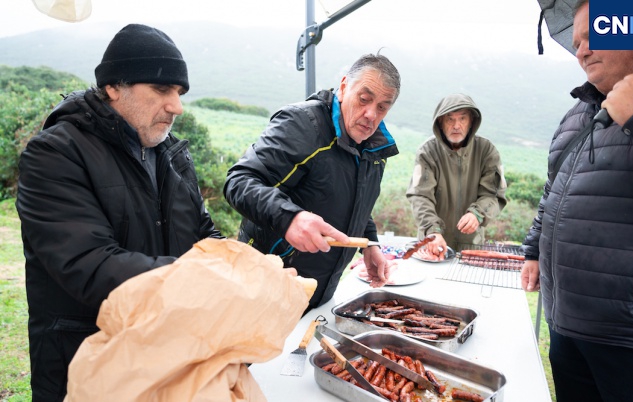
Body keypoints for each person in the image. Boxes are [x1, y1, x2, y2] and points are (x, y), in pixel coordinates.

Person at [15, 24, 225, 402]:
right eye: (162, 89)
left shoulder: (171, 154)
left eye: (179, 93)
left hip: (164, 349)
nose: (176, 106)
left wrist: (243, 268)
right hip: (87, 357)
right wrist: (199, 281)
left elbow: (203, 234)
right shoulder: (56, 153)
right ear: (114, 87)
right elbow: (90, 264)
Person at [520, 1, 633, 400]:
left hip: (627, 337)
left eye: (594, 37)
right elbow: (554, 189)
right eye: (576, 41)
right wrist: (534, 249)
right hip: (565, 322)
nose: (582, 50)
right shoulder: (579, 113)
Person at [224, 53, 401, 309]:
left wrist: (369, 243)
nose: (371, 115)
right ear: (343, 87)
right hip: (267, 288)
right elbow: (238, 181)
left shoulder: (376, 148)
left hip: (320, 293)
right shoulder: (302, 124)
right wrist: (290, 218)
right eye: (364, 99)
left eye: (383, 107)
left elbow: (355, 201)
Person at [405, 93, 507, 257]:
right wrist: (432, 231)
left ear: (472, 121)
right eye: (450, 119)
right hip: (432, 244)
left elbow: (494, 194)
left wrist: (477, 214)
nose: (456, 125)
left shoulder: (487, 151)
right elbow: (420, 196)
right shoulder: (428, 151)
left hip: (472, 245)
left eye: (462, 119)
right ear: (440, 122)